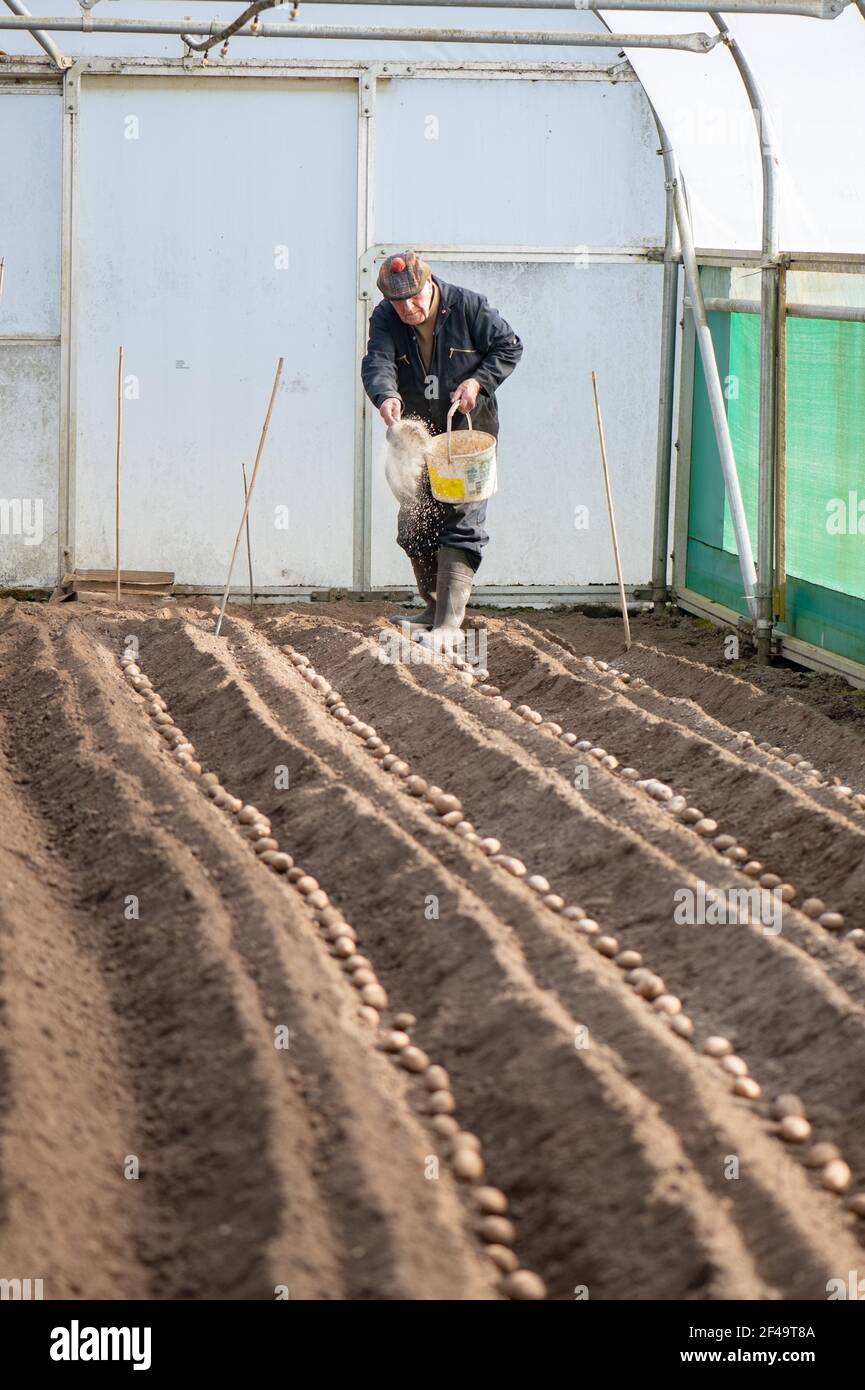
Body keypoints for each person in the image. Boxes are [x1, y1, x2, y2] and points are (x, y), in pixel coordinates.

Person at [361, 250, 523, 643]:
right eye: (397, 302)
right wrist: (386, 397)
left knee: (461, 519)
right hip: (416, 434)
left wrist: (478, 382)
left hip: (466, 432)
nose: (407, 308)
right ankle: (433, 607)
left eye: (414, 298)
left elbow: (509, 346)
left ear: (430, 284)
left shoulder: (469, 307)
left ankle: (450, 624)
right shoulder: (385, 317)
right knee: (416, 516)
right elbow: (378, 360)